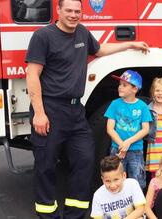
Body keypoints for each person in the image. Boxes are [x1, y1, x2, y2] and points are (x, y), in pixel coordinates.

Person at [25, 0, 149, 217]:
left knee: (85, 160)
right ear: (59, 11)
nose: (73, 15)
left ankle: (75, 214)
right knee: (46, 167)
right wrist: (39, 113)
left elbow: (100, 49)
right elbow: (32, 74)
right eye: (69, 11)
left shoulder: (82, 32)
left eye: (77, 11)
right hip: (51, 108)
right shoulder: (43, 36)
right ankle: (48, 215)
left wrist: (130, 44)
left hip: (75, 112)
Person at [105, 70, 152, 191]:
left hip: (136, 150)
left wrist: (128, 142)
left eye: (124, 85)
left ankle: (138, 207)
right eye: (120, 84)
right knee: (116, 178)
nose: (120, 87)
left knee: (137, 181)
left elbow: (145, 129)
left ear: (134, 89)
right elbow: (110, 129)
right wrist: (122, 145)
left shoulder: (142, 106)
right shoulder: (114, 104)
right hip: (117, 149)